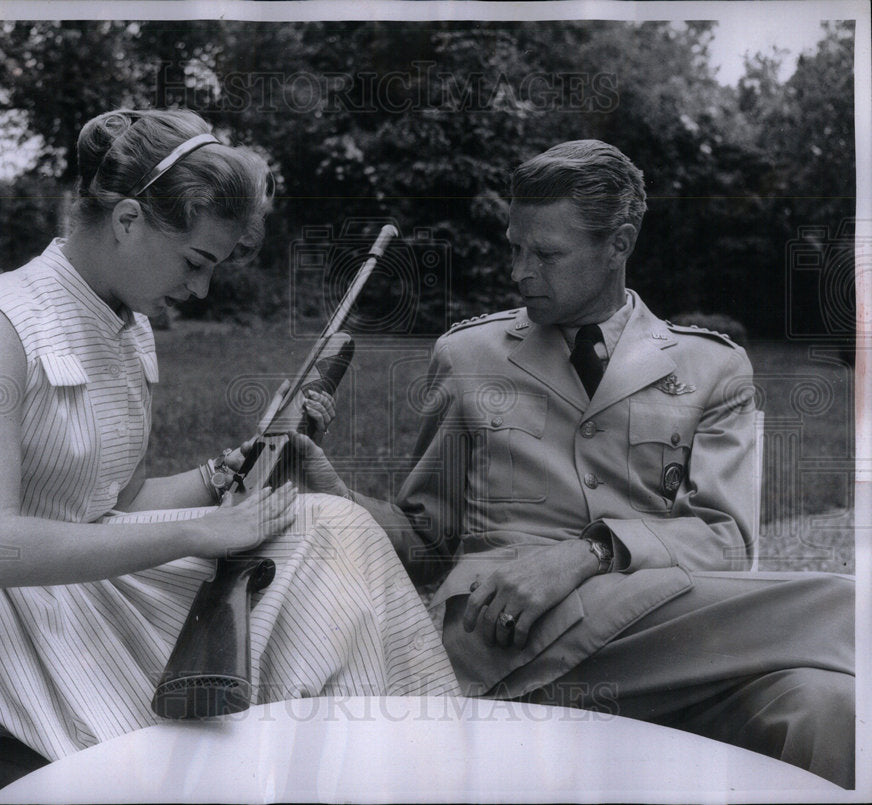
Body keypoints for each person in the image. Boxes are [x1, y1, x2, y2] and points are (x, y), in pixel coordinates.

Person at [0, 109, 459, 763]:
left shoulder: (127, 327)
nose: (200, 288)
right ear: (129, 219)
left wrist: (231, 471)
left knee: (337, 527)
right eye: (195, 261)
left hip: (89, 579)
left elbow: (118, 501)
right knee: (310, 597)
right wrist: (200, 531)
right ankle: (359, 763)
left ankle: (411, 760)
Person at [301, 140, 856, 787]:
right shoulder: (467, 355)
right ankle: (850, 618)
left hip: (667, 654)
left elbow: (725, 541)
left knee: (828, 705)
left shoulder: (712, 368)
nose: (520, 271)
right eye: (515, 247)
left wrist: (584, 554)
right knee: (843, 606)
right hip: (507, 639)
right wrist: (336, 494)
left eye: (545, 254)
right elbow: (427, 541)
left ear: (618, 243)